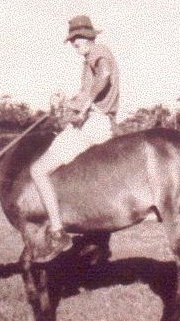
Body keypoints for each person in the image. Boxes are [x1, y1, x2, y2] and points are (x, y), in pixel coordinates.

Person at [30, 15, 120, 263]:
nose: (74, 43)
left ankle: (58, 232)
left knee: (38, 170)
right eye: (71, 39)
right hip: (95, 121)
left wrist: (85, 104)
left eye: (77, 38)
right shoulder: (89, 59)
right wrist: (68, 103)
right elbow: (87, 91)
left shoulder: (98, 52)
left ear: (90, 36)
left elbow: (104, 77)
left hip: (95, 124)